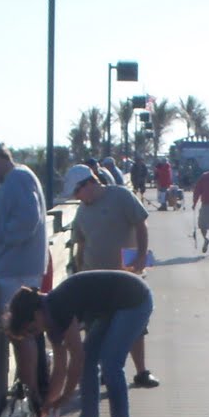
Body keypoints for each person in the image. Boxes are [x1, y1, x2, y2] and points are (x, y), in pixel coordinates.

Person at [5, 270, 153, 417]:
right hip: (112, 307)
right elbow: (60, 368)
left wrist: (65, 397)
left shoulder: (58, 306)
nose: (35, 333)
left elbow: (76, 358)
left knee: (111, 363)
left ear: (36, 314)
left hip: (135, 299)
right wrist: (49, 405)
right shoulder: (48, 319)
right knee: (90, 358)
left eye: (32, 329)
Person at [65, 164, 161, 387]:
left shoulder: (120, 196)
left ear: (89, 183)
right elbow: (81, 244)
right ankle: (101, 370)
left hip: (125, 275)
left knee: (135, 326)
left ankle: (141, 371)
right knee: (95, 324)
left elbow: (141, 223)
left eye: (77, 192)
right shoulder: (82, 211)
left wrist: (141, 255)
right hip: (93, 278)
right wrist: (79, 273)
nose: (77, 198)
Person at [0, 140, 48, 394]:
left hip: (18, 271)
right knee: (26, 332)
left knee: (21, 333)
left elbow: (28, 222)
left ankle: (30, 393)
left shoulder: (17, 179)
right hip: (21, 268)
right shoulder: (21, 177)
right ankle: (33, 391)